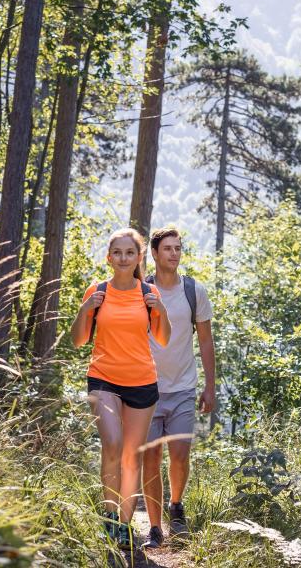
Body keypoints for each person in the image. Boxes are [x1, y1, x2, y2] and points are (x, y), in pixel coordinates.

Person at [71, 228, 172, 552]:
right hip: (103, 378)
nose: (124, 258)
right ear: (109, 257)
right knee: (112, 444)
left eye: (130, 252)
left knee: (131, 457)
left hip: (142, 382)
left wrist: (162, 309)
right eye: (118, 252)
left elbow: (164, 339)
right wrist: (86, 309)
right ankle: (109, 516)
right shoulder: (97, 291)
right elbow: (78, 340)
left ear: (139, 257)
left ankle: (122, 527)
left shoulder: (148, 293)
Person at [140, 226, 216, 549]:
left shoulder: (193, 291)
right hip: (147, 390)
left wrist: (210, 386)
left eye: (178, 248)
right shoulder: (141, 292)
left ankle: (176, 505)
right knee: (151, 458)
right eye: (168, 248)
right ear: (155, 254)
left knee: (180, 456)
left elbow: (206, 340)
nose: (174, 253)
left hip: (184, 388)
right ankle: (155, 528)